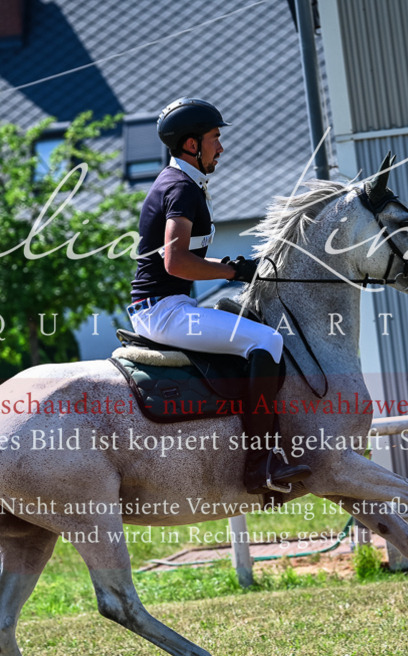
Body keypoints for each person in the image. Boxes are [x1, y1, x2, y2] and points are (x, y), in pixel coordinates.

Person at [127, 97, 310, 495]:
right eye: (215, 138)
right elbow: (176, 262)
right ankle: (260, 465)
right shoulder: (181, 189)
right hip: (163, 312)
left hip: (170, 306)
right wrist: (230, 271)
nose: (221, 148)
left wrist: (235, 266)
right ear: (191, 144)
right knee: (267, 340)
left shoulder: (184, 184)